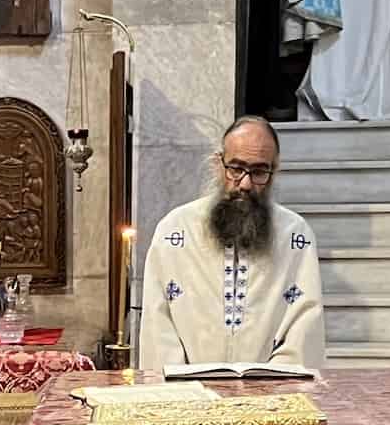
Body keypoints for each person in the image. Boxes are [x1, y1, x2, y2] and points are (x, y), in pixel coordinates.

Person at [138, 116, 326, 374]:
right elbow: (158, 323)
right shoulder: (174, 230)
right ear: (219, 163)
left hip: (268, 400)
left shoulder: (295, 236)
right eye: (236, 169)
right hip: (190, 397)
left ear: (274, 171)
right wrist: (181, 389)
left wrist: (269, 389)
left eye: (259, 171)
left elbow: (303, 326)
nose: (246, 184)